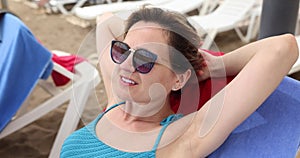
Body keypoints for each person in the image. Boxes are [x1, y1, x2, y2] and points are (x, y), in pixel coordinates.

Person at [60, 7, 298, 158]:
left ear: (178, 78)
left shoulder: (181, 139)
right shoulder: (117, 98)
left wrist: (218, 66)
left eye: (145, 59)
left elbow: (282, 48)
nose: (126, 64)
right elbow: (105, 21)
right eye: (123, 50)